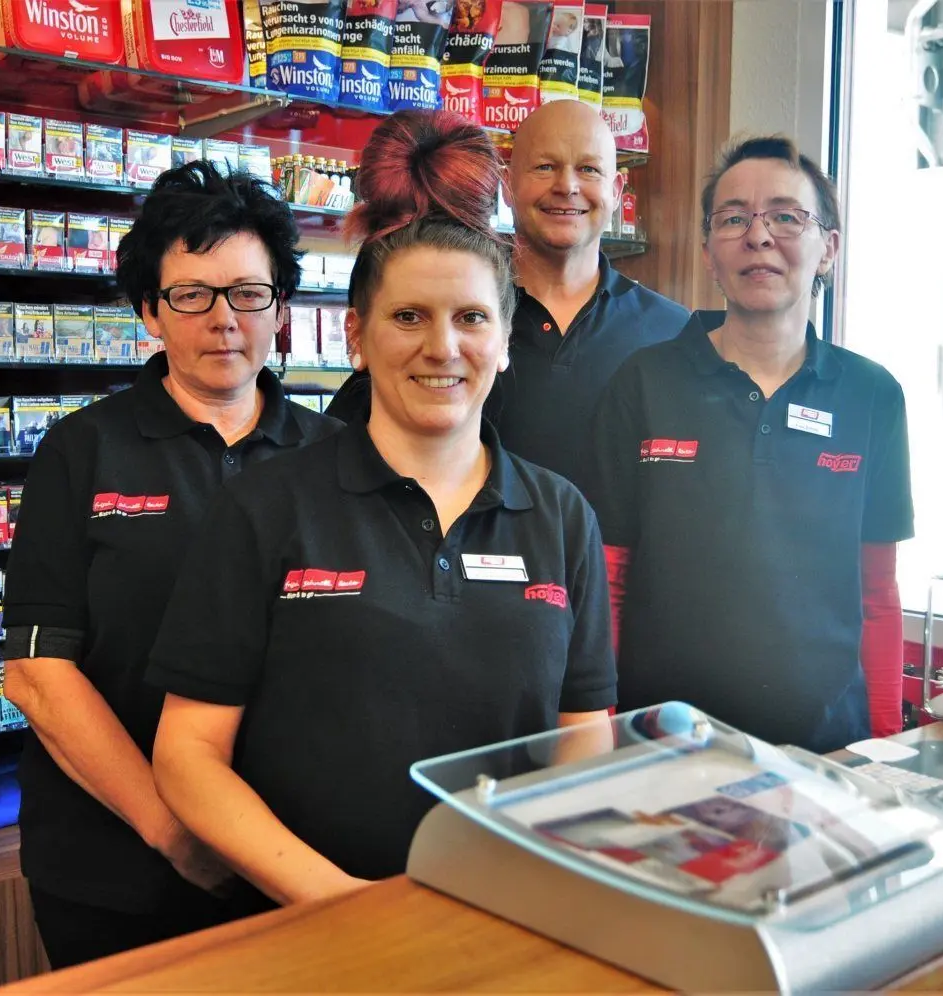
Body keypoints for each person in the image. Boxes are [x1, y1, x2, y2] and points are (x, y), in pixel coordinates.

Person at [146, 110, 616, 906]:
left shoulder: (561, 516)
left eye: (471, 318)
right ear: (357, 337)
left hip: (507, 915)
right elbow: (187, 752)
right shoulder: (268, 506)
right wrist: (338, 903)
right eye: (409, 318)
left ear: (504, 342)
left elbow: (584, 730)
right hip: (308, 931)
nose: (443, 347)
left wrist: (534, 870)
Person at [0, 161, 341, 970]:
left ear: (281, 309)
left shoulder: (335, 458)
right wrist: (174, 829)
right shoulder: (82, 451)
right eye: (191, 294)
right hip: (114, 867)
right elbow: (39, 672)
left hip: (292, 857)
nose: (223, 319)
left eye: (248, 294)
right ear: (150, 311)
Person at [587, 136, 914, 753]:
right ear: (709, 252)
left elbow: (876, 593)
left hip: (824, 750)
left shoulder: (872, 395)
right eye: (733, 218)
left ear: (828, 249)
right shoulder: (644, 383)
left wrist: (881, 745)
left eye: (786, 217)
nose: (758, 236)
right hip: (662, 746)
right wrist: (601, 726)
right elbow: (609, 581)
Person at [327, 100, 688, 489]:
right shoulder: (462, 327)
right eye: (545, 167)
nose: (566, 187)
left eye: (588, 169)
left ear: (616, 189)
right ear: (508, 183)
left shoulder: (672, 333)